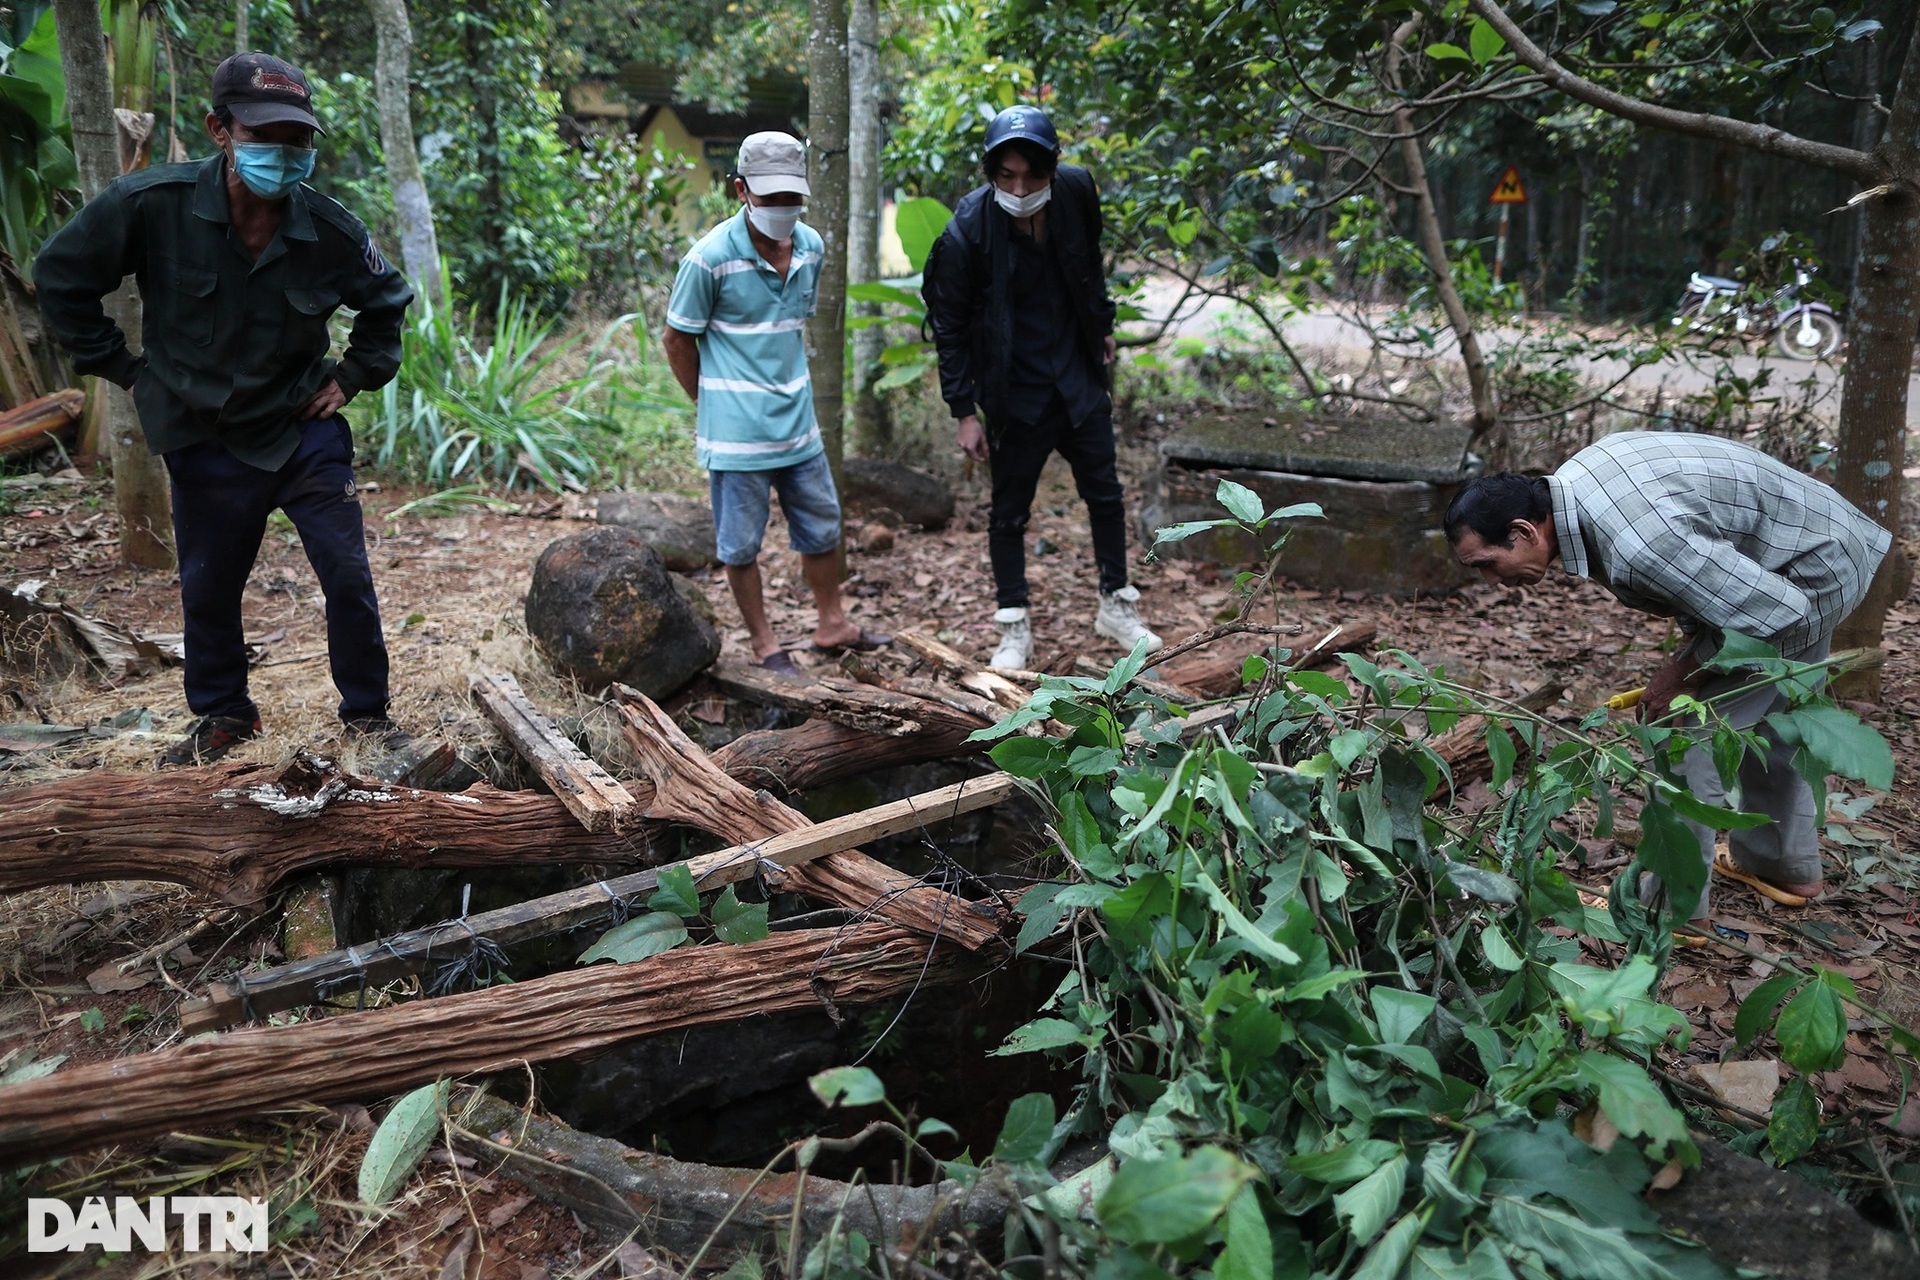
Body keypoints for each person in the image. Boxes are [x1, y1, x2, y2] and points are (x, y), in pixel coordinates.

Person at [35, 52, 414, 766]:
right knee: (209, 587)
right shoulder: (153, 205)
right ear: (219, 128)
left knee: (348, 576)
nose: (286, 154)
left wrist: (353, 376)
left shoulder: (330, 231)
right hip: (203, 437)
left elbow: (386, 304)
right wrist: (123, 368)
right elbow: (60, 274)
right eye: (266, 136)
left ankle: (369, 719)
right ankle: (224, 718)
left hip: (302, 432)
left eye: (299, 140)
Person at [1444, 431, 1891, 919]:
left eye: (1488, 564)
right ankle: (1783, 865)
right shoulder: (1577, 483)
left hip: (1804, 576)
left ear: (1525, 531)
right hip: (1810, 543)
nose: (1492, 582)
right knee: (1775, 720)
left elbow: (1775, 613)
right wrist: (1690, 660)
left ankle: (1670, 908)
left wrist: (1685, 672)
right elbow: (1706, 579)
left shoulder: (1640, 544)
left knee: (1682, 734)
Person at [923, 104, 1160, 671]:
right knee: (1008, 511)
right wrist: (965, 412)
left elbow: (1090, 264)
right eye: (1006, 175)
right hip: (1015, 388)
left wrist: (1101, 325)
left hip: (1076, 375)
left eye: (1032, 174)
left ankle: (1115, 605)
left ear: (1054, 166)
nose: (1020, 187)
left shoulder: (1076, 193)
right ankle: (1013, 625)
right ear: (990, 173)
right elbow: (949, 329)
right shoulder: (966, 234)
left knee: (1105, 492)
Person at [662, 131, 886, 677]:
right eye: (770, 198)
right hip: (735, 435)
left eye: (792, 198)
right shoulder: (708, 260)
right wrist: (707, 401)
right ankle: (766, 646)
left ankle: (831, 623)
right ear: (741, 190)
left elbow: (790, 324)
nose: (783, 210)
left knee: (822, 527)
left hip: (798, 426)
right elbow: (676, 339)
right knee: (740, 545)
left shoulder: (811, 247)